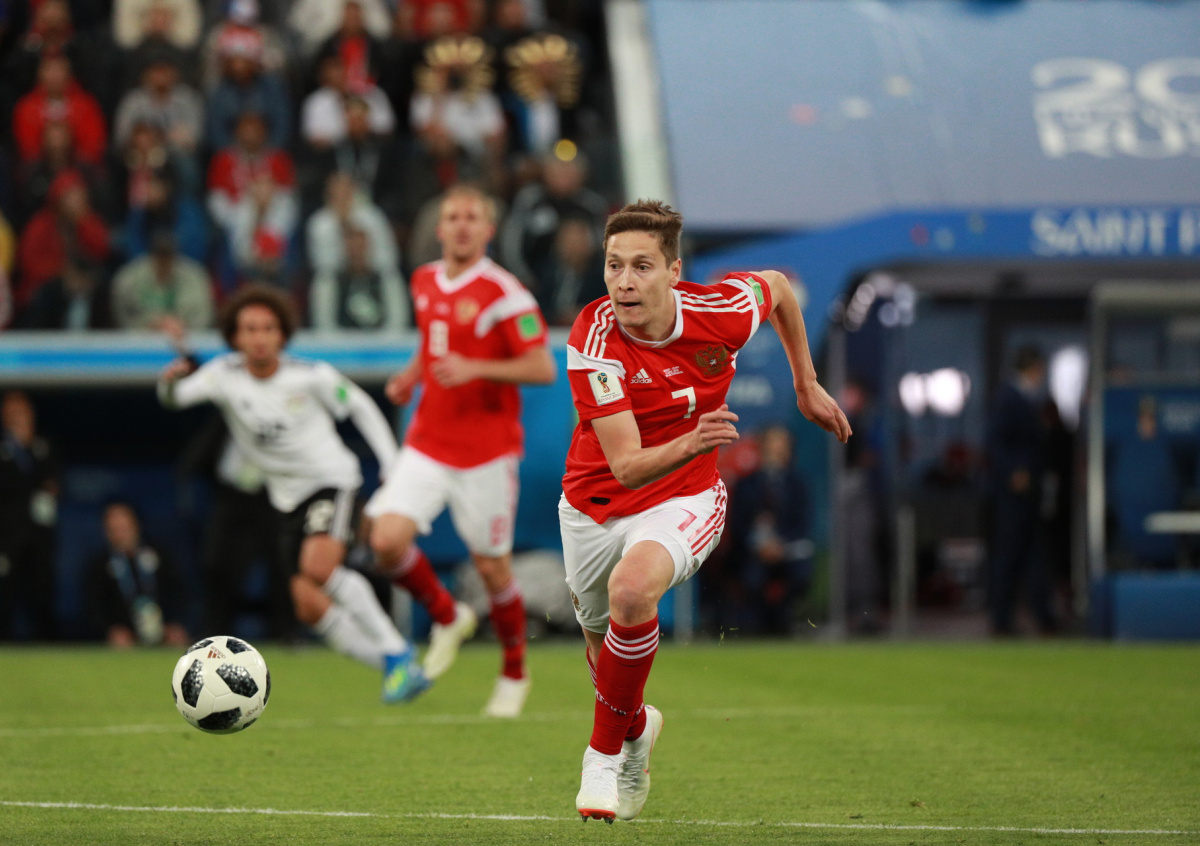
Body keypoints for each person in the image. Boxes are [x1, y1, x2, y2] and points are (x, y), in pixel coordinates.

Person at [561, 200, 850, 822]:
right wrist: (692, 439)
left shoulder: (719, 313)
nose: (623, 282)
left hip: (685, 497)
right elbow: (627, 466)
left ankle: (601, 759)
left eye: (641, 266)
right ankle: (636, 732)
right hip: (594, 505)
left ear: (674, 272)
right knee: (605, 665)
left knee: (632, 591)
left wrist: (805, 382)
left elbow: (778, 289)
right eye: (613, 266)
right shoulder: (592, 337)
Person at [158, 284, 430, 703]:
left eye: (268, 328)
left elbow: (360, 405)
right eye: (250, 329)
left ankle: (397, 653)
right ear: (235, 336)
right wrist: (169, 383)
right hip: (284, 499)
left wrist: (391, 463)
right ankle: (397, 667)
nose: (260, 337)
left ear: (283, 334)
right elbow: (176, 398)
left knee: (318, 567)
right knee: (307, 603)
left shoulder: (310, 375)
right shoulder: (223, 375)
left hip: (332, 482)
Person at [366, 184, 556, 718]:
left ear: (488, 230)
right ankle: (448, 616)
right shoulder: (424, 280)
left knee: (493, 570)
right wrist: (411, 377)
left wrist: (477, 368)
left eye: (473, 217)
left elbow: (542, 367)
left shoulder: (507, 294)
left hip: (486, 452)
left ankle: (514, 672)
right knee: (385, 540)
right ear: (440, 228)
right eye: (453, 216)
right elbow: (433, 343)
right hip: (428, 441)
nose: (462, 225)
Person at [986, 345, 1057, 636]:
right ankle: (1001, 618)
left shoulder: (1028, 399)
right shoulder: (1009, 398)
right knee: (1010, 553)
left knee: (1032, 553)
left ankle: (1043, 615)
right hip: (1013, 492)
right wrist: (1013, 471)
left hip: (1029, 490)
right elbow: (996, 441)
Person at [85, 500, 191, 648]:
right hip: (124, 640)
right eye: (114, 529)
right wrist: (110, 631)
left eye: (124, 527)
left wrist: (176, 624)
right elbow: (94, 608)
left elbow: (181, 595)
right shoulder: (99, 566)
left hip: (163, 633)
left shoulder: (160, 556)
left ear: (136, 525)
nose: (120, 534)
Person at [0, 391, 61, 641]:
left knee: (42, 595)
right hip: (7, 537)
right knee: (5, 596)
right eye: (12, 412)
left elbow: (53, 483)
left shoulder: (42, 446)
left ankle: (48, 648)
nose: (19, 418)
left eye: (23, 412)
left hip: (39, 536)